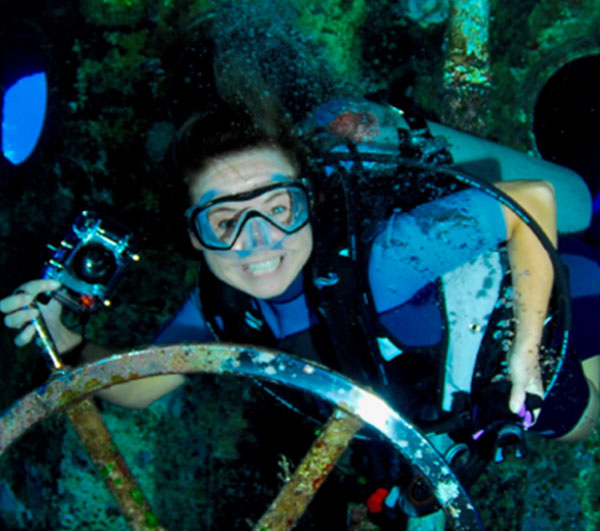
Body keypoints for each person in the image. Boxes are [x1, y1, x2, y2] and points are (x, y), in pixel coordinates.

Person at [2, 99, 599, 448]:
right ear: (194, 234)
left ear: (307, 201)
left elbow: (534, 200)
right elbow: (138, 388)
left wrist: (524, 352)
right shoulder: (222, 305)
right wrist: (70, 341)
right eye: (225, 220)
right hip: (450, 385)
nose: (259, 243)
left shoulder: (385, 258)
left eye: (278, 209)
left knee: (576, 419)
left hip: (577, 293)